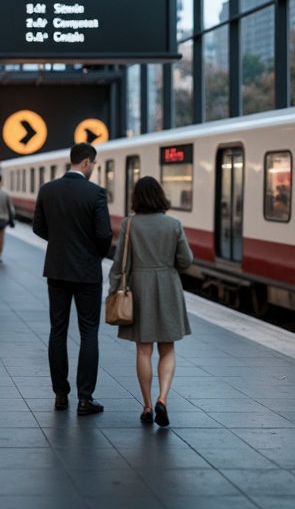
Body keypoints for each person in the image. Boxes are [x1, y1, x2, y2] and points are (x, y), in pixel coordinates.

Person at [32, 142, 112, 415]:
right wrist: (93, 255)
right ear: (87, 163)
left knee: (58, 330)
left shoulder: (48, 189)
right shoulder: (96, 193)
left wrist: (60, 245)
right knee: (89, 332)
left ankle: (60, 395)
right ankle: (85, 398)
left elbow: (38, 227)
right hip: (87, 271)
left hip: (56, 268)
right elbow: (104, 235)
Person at [110, 176, 193, 427]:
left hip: (139, 289)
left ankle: (146, 406)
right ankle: (162, 400)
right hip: (168, 287)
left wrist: (113, 290)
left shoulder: (130, 224)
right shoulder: (173, 224)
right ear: (161, 197)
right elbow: (186, 260)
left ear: (136, 198)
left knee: (143, 350)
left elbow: (118, 264)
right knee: (167, 349)